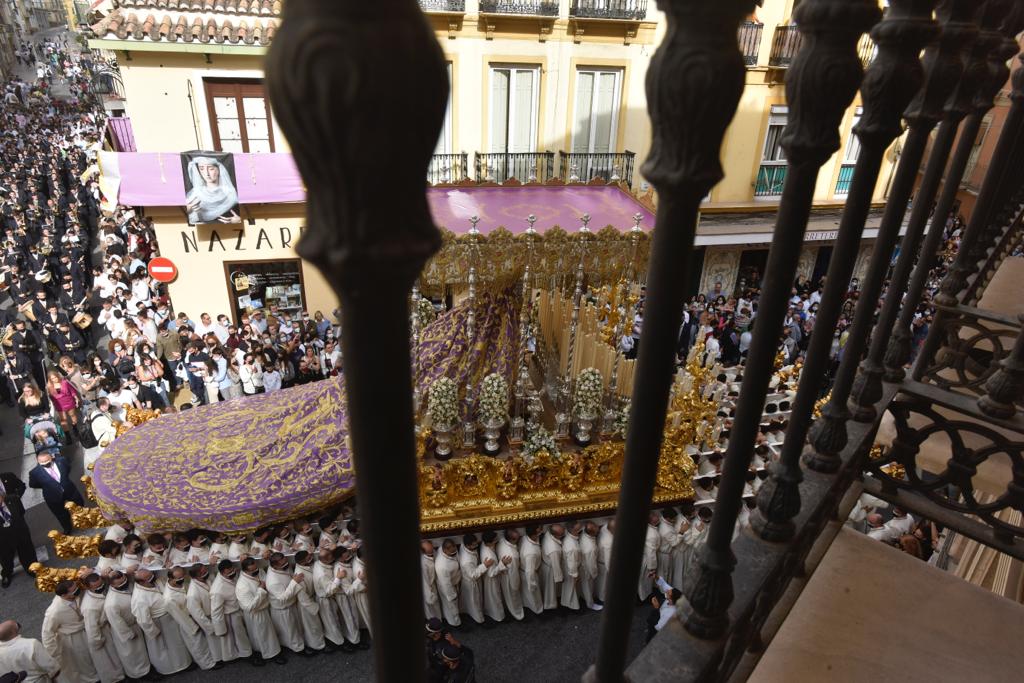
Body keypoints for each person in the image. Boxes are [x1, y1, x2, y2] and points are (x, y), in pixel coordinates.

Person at [130, 568, 193, 675]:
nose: (153, 578)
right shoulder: (139, 598)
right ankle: (170, 669)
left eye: (151, 575)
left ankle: (183, 663)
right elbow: (143, 619)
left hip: (169, 618)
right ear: (141, 582)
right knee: (165, 648)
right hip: (159, 623)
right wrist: (154, 632)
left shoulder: (153, 582)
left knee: (177, 643)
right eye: (149, 578)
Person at [41, 579, 100, 683]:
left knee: (95, 656)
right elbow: (47, 633)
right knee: (84, 662)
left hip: (85, 630)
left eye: (76, 588)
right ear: (64, 595)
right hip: (72, 639)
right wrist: (54, 654)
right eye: (73, 591)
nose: (77, 590)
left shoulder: (77, 595)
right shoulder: (54, 611)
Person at [163, 566, 219, 670]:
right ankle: (207, 665)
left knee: (205, 642)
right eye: (179, 578)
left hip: (195, 615)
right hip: (188, 621)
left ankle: (214, 659)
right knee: (197, 644)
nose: (182, 579)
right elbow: (180, 617)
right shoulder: (169, 599)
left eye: (183, 577)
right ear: (171, 579)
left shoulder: (181, 583)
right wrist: (193, 627)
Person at [102, 571, 153, 681]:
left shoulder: (127, 586)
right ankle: (139, 675)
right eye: (120, 584)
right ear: (112, 585)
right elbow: (117, 622)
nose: (124, 584)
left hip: (136, 624)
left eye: (125, 580)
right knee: (133, 654)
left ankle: (147, 670)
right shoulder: (111, 603)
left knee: (142, 651)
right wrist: (128, 634)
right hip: (127, 629)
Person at [236, 557, 286, 666]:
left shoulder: (257, 572)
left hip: (265, 608)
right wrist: (261, 590)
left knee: (269, 632)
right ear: (245, 570)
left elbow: (265, 580)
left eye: (256, 568)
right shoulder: (242, 585)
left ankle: (274, 650)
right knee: (263, 635)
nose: (256, 571)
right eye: (252, 570)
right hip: (256, 613)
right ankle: (271, 654)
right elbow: (249, 607)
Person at [79, 573, 126, 683]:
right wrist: (99, 641)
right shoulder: (89, 607)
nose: (101, 587)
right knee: (108, 660)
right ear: (89, 587)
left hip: (108, 627)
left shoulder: (98, 592)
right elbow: (92, 629)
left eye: (101, 584)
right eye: (97, 587)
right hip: (101, 634)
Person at [264, 552, 310, 656]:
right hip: (283, 609)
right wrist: (294, 582)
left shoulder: (280, 567)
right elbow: (282, 598)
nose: (286, 565)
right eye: (283, 564)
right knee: (291, 630)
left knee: (297, 627)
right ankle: (299, 650)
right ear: (275, 565)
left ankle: (301, 644)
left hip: (292, 604)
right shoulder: (272, 581)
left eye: (286, 561)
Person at [209, 560, 254, 663]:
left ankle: (243, 653)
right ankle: (247, 655)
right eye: (228, 572)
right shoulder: (217, 589)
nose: (232, 573)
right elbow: (216, 611)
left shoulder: (230, 576)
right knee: (239, 637)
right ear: (222, 572)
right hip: (230, 615)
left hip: (238, 610)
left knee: (242, 635)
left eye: (232, 570)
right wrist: (220, 629)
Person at [28, 451, 84, 534]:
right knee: (61, 514)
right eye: (42, 463)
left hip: (69, 490)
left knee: (80, 505)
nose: (45, 464)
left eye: (47, 461)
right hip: (52, 496)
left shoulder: (62, 461)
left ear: (51, 457)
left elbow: (67, 469)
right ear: (38, 461)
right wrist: (49, 486)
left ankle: (83, 520)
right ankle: (67, 528)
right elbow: (33, 484)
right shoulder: (35, 473)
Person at [312, 548, 354, 652]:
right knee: (332, 622)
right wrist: (338, 578)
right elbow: (329, 590)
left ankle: (341, 639)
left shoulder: (319, 562)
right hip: (325, 599)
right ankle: (339, 644)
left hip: (331, 598)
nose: (333, 559)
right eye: (331, 557)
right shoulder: (321, 574)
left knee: (336, 619)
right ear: (325, 560)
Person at [0, 472, 37, 588]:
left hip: (19, 528)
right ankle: (7, 573)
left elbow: (21, 512)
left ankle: (31, 568)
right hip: (2, 535)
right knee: (5, 555)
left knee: (26, 548)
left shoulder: (13, 499)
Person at [185, 155, 240, 224]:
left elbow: (243, 213)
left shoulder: (230, 193)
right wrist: (189, 209)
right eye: (202, 169)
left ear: (219, 169)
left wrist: (238, 220)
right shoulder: (195, 193)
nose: (206, 173)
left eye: (211, 169)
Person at [292, 550, 328, 653]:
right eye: (308, 558)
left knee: (317, 624)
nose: (311, 558)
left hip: (313, 598)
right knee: (313, 626)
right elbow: (302, 597)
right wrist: (314, 607)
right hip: (307, 605)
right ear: (303, 562)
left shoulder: (306, 566)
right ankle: (317, 646)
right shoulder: (300, 575)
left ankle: (321, 642)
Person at [479, 531, 508, 622]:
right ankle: (499, 617)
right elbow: (491, 573)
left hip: (490, 579)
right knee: (496, 598)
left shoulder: (484, 545)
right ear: (489, 542)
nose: (496, 541)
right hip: (492, 580)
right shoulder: (489, 556)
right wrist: (502, 564)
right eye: (494, 540)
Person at [457, 535, 486, 624]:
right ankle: (479, 619)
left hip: (471, 579)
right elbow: (473, 575)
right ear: (468, 545)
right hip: (471, 583)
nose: (476, 546)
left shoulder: (464, 546)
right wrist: (485, 565)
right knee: (474, 602)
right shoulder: (466, 561)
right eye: (474, 545)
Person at [496, 529, 523, 621]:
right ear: (513, 539)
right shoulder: (512, 555)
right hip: (509, 577)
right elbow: (513, 571)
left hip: (504, 574)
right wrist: (516, 584)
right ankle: (518, 614)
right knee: (513, 596)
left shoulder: (502, 541)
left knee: (507, 596)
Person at [434, 539, 462, 627]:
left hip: (453, 581)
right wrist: (452, 595)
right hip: (447, 587)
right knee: (451, 607)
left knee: (453, 606)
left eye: (454, 549)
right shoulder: (442, 566)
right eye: (451, 551)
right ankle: (456, 624)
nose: (454, 552)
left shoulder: (447, 550)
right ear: (445, 550)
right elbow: (446, 584)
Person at [519, 525, 543, 615]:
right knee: (534, 595)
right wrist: (532, 584)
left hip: (526, 570)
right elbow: (530, 571)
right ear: (534, 535)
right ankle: (538, 611)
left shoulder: (525, 538)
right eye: (539, 531)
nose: (541, 531)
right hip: (529, 574)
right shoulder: (531, 552)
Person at [540, 524, 565, 611]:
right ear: (556, 535)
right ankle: (550, 606)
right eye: (562, 533)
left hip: (545, 564)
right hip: (551, 569)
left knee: (548, 589)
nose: (563, 534)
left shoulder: (548, 533)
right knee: (550, 590)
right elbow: (556, 565)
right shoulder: (553, 549)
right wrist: (560, 578)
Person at [579, 522, 602, 611]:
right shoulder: (590, 548)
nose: (598, 530)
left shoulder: (584, 534)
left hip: (583, 564)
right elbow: (591, 564)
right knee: (588, 587)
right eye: (596, 530)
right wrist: (594, 574)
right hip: (587, 569)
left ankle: (585, 599)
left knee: (585, 587)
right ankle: (590, 604)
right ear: (592, 533)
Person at [639, 512, 661, 601]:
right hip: (647, 560)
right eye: (656, 517)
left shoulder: (647, 528)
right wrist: (652, 567)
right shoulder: (651, 534)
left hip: (643, 557)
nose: (658, 518)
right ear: (653, 521)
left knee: (643, 581)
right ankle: (645, 597)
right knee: (645, 581)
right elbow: (650, 552)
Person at [421, 541, 442, 621]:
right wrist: (430, 596)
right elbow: (425, 582)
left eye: (431, 547)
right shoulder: (423, 563)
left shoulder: (434, 552)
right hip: (429, 588)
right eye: (429, 549)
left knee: (438, 608)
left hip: (436, 583)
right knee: (433, 610)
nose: (432, 549)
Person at [596, 519, 614, 603]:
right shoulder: (609, 543)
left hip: (600, 560)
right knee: (604, 584)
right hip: (604, 563)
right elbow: (608, 561)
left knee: (601, 582)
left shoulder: (605, 528)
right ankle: (602, 600)